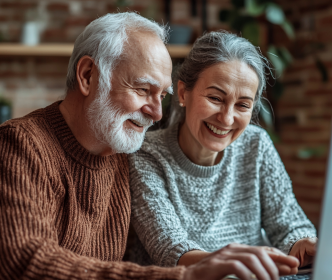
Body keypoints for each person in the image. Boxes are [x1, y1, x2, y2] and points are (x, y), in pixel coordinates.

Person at [0, 13, 298, 280]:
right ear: (87, 76)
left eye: (162, 96)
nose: (157, 113)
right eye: (143, 90)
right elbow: (24, 266)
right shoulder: (18, 147)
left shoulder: (121, 157)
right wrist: (186, 276)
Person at [128, 31, 318, 270]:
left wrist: (301, 244)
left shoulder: (255, 145)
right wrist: (230, 264)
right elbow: (170, 248)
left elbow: (290, 225)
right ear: (184, 92)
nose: (227, 119)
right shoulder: (146, 154)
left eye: (242, 105)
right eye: (216, 98)